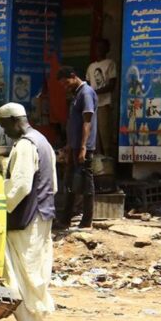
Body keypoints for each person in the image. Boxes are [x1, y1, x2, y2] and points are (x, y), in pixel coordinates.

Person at [0, 103, 58, 321]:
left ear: (13, 121)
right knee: (32, 274)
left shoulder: (24, 145)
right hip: (42, 217)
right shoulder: (43, 141)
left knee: (15, 275)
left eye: (4, 126)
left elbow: (20, 186)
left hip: (26, 221)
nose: (5, 132)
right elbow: (52, 184)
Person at [56, 65, 97, 229]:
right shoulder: (77, 94)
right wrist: (69, 144)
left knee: (86, 184)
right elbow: (74, 123)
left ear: (73, 76)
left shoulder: (86, 93)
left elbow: (87, 122)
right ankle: (65, 218)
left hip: (83, 148)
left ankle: (87, 221)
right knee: (70, 183)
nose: (65, 87)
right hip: (74, 146)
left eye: (66, 83)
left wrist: (83, 147)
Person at [87, 39, 118, 157]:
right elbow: (88, 84)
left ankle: (107, 159)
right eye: (97, 47)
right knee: (94, 134)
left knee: (105, 132)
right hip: (92, 105)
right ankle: (97, 160)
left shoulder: (110, 63)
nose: (99, 49)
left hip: (104, 103)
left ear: (107, 49)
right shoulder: (91, 66)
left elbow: (112, 85)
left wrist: (94, 93)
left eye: (102, 47)